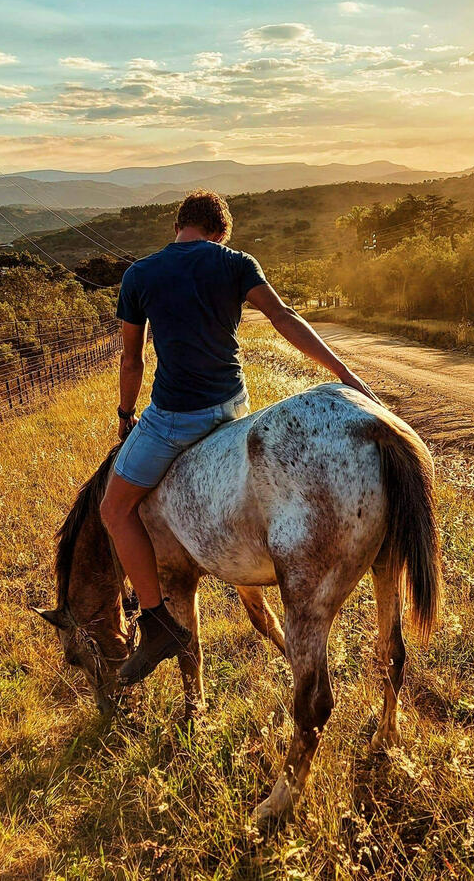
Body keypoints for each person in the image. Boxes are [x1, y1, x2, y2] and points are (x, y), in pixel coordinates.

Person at [99, 188, 378, 685]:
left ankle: (158, 622)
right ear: (220, 233)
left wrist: (125, 414)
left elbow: (131, 360)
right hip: (232, 409)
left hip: (176, 418)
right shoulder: (236, 262)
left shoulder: (139, 275)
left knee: (114, 510)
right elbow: (283, 317)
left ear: (178, 226)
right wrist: (345, 374)